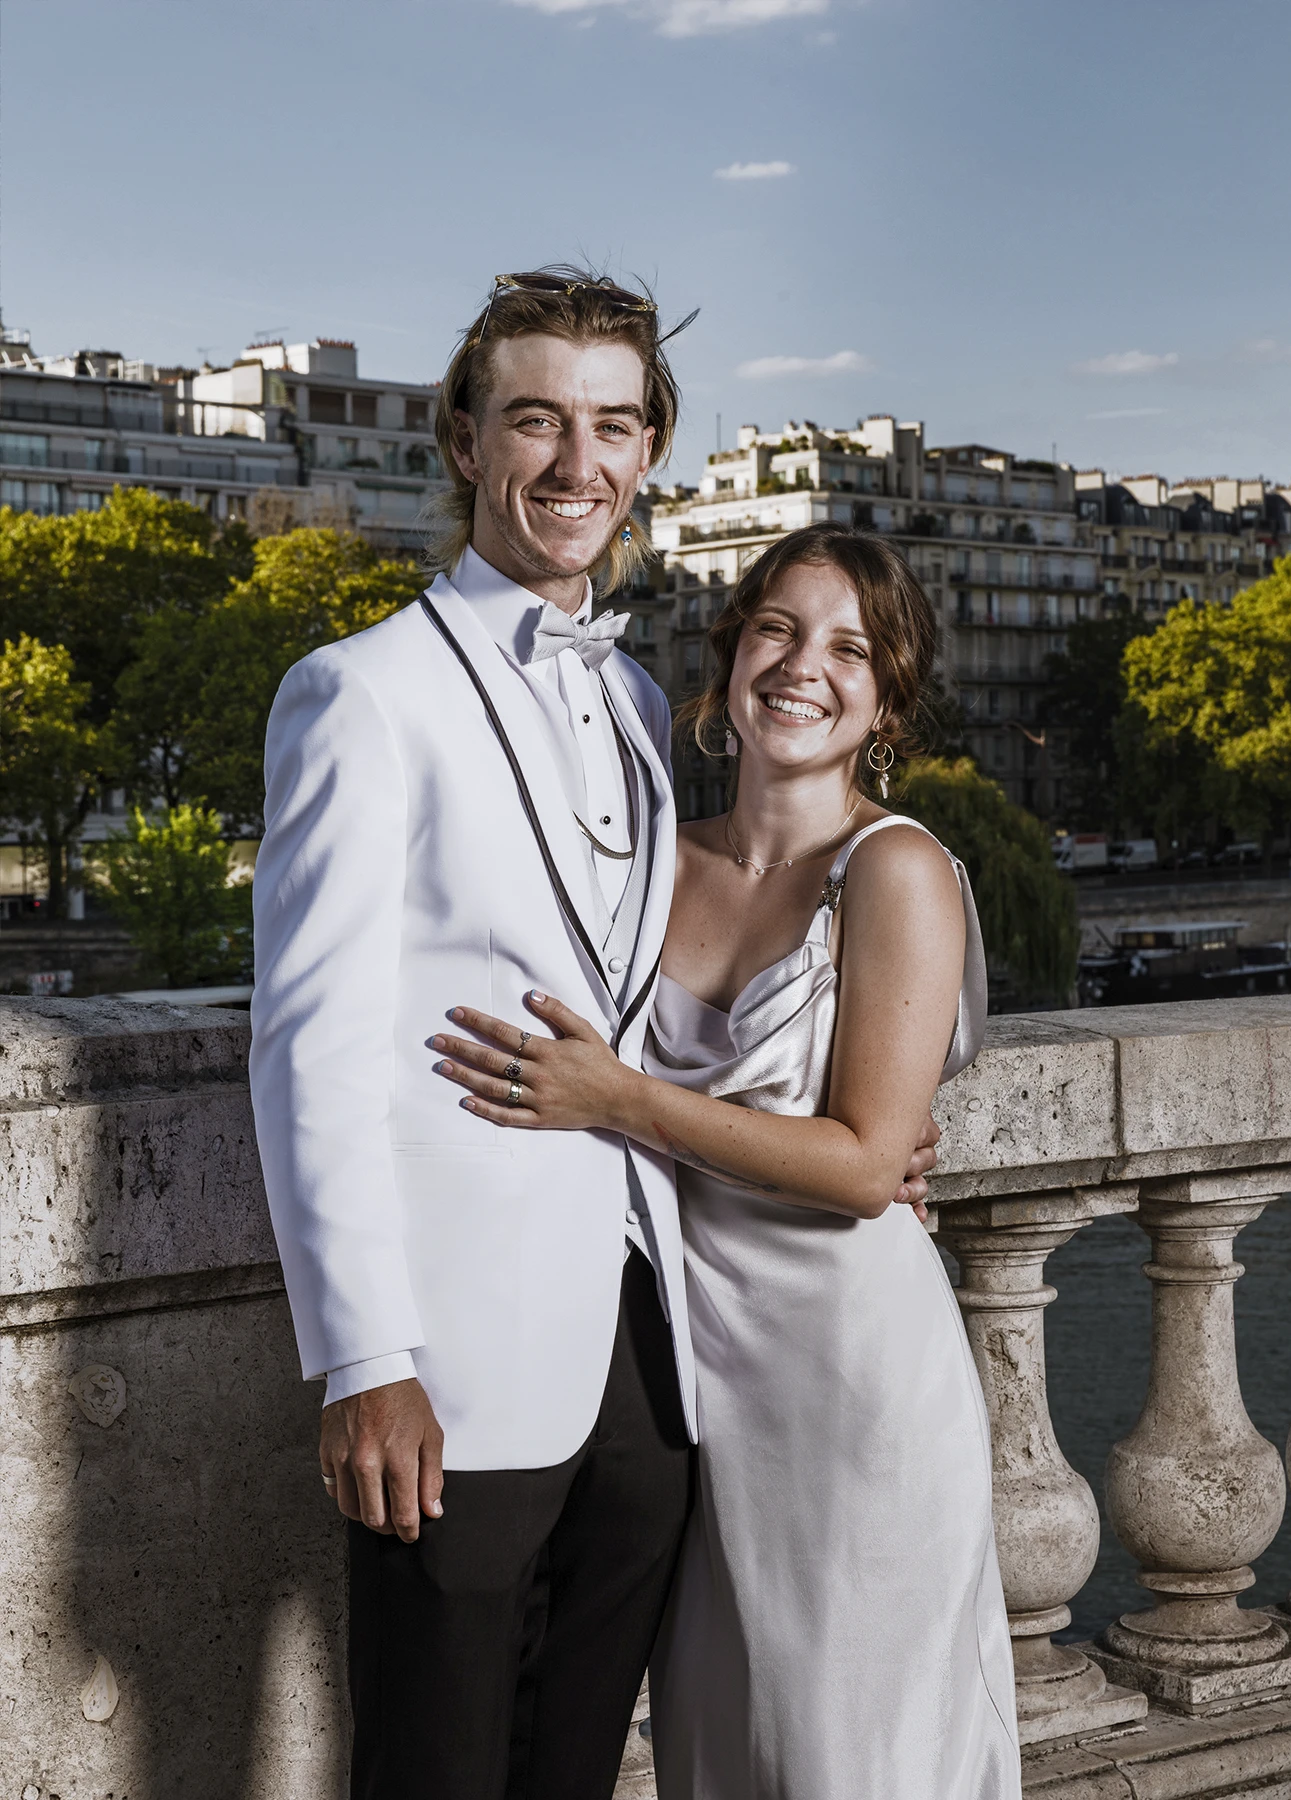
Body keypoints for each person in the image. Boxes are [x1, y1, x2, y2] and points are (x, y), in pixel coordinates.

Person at [250, 273, 940, 1800]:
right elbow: (308, 1050)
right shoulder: (358, 696)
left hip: (653, 1368)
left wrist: (848, 1130)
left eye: (614, 425)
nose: (578, 463)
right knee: (434, 1770)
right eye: (538, 419)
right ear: (463, 438)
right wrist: (364, 1356)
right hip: (460, 1369)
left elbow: (646, 998)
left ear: (651, 454)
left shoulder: (634, 695)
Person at [433, 522, 1022, 1800]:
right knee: (724, 1743)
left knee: (847, 1751)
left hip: (851, 1383)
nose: (806, 666)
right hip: (694, 1379)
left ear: (886, 702)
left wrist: (620, 1096)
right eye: (779, 629)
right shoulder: (654, 862)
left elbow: (867, 1167)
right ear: (729, 652)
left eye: (851, 649)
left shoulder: (897, 868)